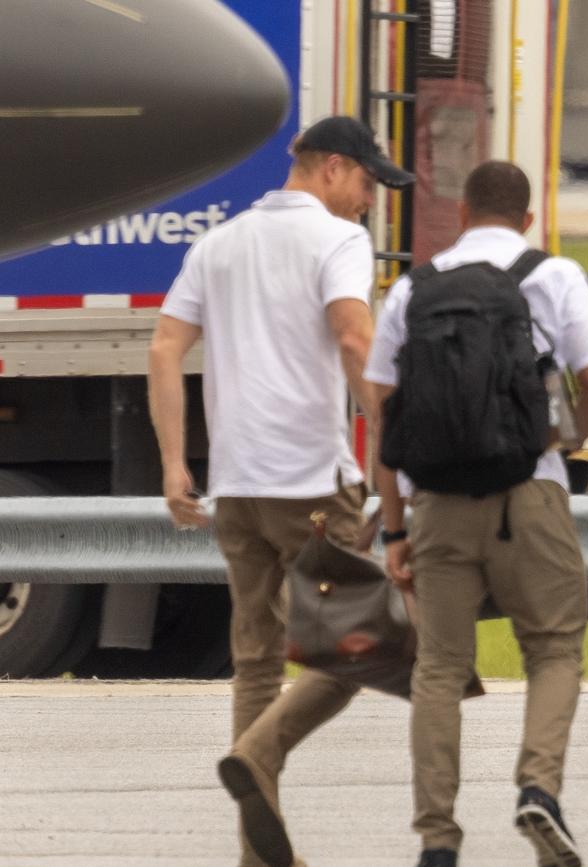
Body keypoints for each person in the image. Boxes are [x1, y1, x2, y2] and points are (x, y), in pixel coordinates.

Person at [148, 114, 414, 867]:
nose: (369, 202)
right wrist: (393, 438)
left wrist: (175, 463)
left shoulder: (219, 242)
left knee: (257, 659)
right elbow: (356, 338)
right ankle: (259, 756)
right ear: (330, 168)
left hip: (235, 484)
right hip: (312, 485)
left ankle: (257, 854)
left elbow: (165, 346)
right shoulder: (336, 240)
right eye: (367, 183)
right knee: (367, 646)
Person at [364, 160, 588, 867]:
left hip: (438, 503)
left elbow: (384, 416)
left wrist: (393, 529)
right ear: (527, 218)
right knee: (556, 647)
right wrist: (563, 441)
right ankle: (538, 786)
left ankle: (438, 840)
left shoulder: (413, 288)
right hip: (530, 492)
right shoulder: (552, 274)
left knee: (440, 667)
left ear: (463, 215)